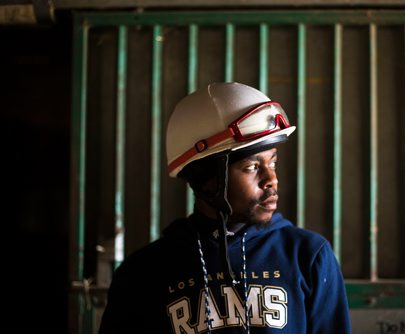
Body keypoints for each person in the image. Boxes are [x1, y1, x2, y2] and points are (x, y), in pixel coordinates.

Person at [98, 82, 351, 334]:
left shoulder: (308, 256)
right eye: (252, 167)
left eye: (272, 163)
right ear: (207, 179)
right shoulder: (142, 274)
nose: (271, 179)